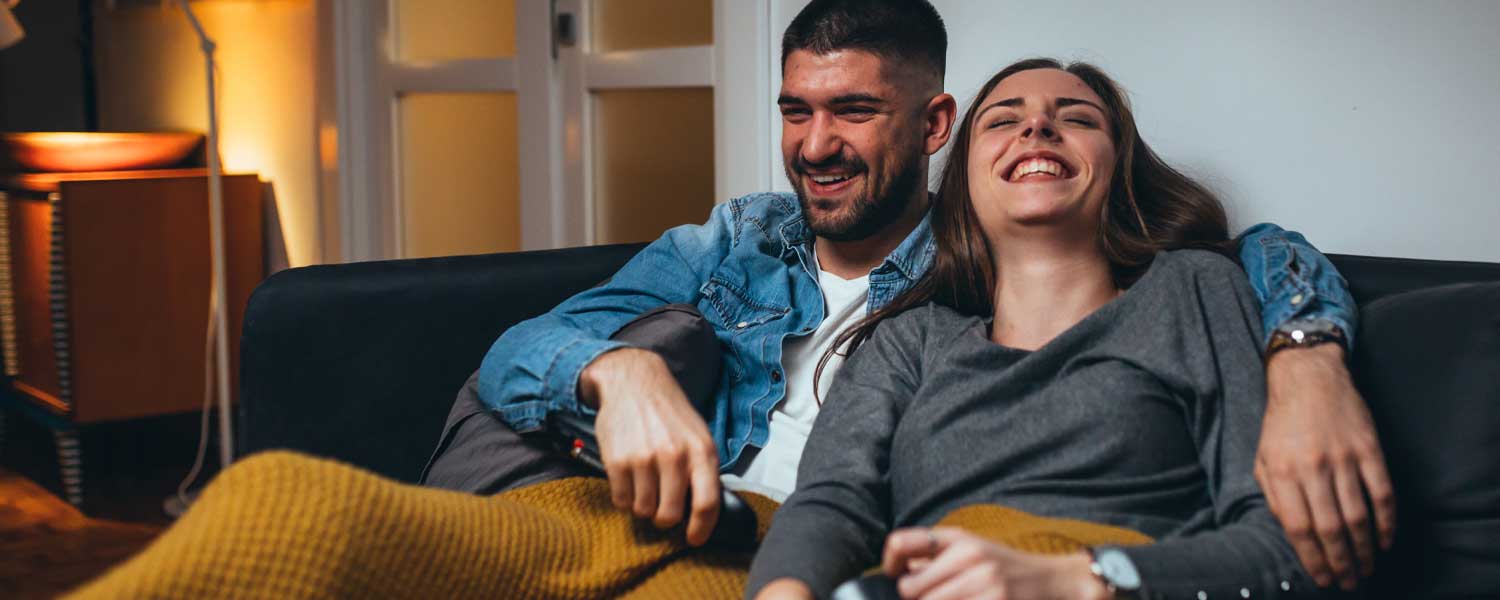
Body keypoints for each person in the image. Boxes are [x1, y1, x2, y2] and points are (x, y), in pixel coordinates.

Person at [431, 0, 1392, 590]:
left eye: (853, 110)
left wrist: (1308, 351)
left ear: (936, 125)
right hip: (687, 523)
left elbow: (1247, 251)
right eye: (797, 111)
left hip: (802, 557)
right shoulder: (733, 240)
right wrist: (623, 370)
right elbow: (524, 350)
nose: (815, 145)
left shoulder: (987, 255)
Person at [748, 57, 1320, 600]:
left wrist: (1083, 578)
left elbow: (1287, 547)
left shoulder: (1191, 288)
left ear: (1119, 167)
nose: (1039, 127)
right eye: (1003, 121)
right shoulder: (911, 341)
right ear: (963, 179)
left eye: (1076, 118)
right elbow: (831, 504)